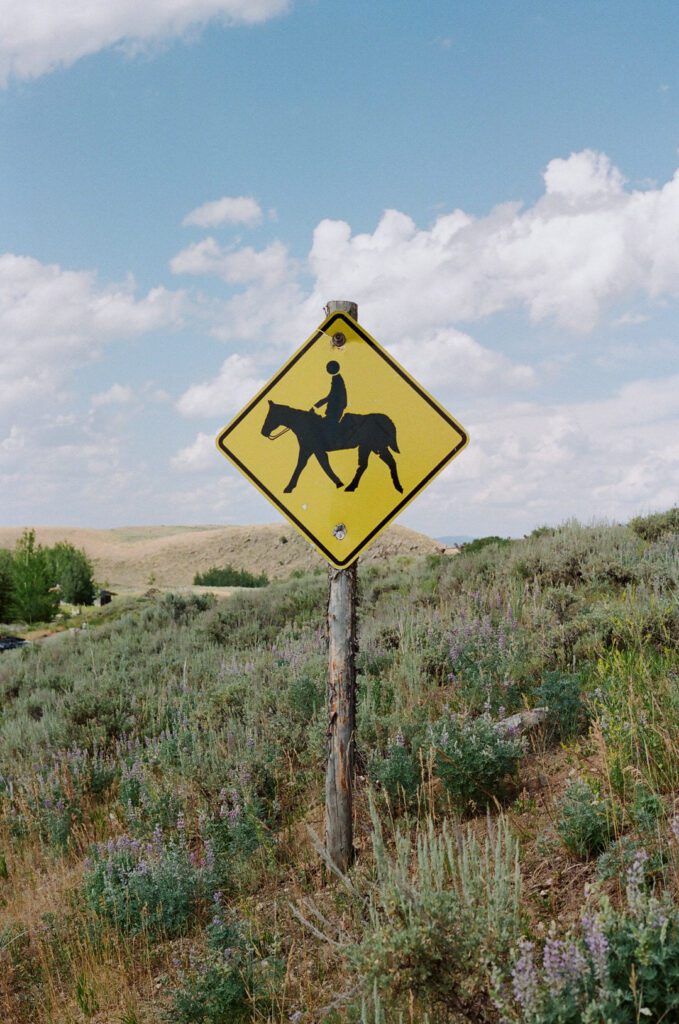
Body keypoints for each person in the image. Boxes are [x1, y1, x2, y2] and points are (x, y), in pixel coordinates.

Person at [314, 360, 347, 426]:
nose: (327, 369)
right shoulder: (336, 379)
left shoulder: (337, 380)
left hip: (334, 412)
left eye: (329, 367)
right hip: (335, 411)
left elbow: (331, 396)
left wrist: (316, 406)